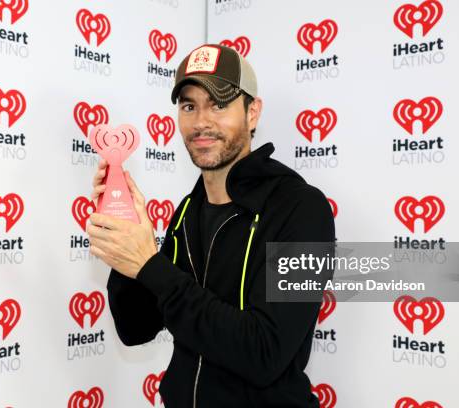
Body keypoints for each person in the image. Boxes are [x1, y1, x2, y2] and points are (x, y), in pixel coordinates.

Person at [87, 44, 335, 407]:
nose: (201, 121)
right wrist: (127, 243)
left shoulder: (302, 208)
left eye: (219, 104)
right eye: (189, 106)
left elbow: (264, 353)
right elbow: (135, 328)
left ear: (253, 112)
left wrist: (151, 266)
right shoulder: (188, 209)